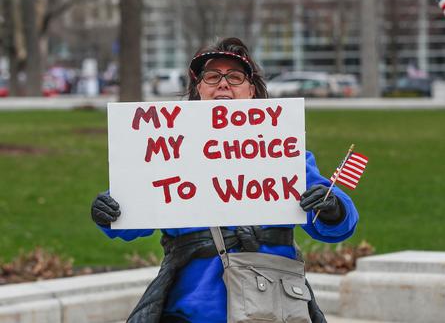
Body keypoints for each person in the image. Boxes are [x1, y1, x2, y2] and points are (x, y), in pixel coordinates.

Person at [91, 37, 359, 323]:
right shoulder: (167, 149)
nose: (223, 83)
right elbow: (130, 218)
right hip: (189, 310)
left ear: (251, 90)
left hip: (270, 307)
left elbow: (338, 226)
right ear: (198, 89)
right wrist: (109, 210)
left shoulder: (281, 149)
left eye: (234, 76)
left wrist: (332, 209)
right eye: (212, 76)